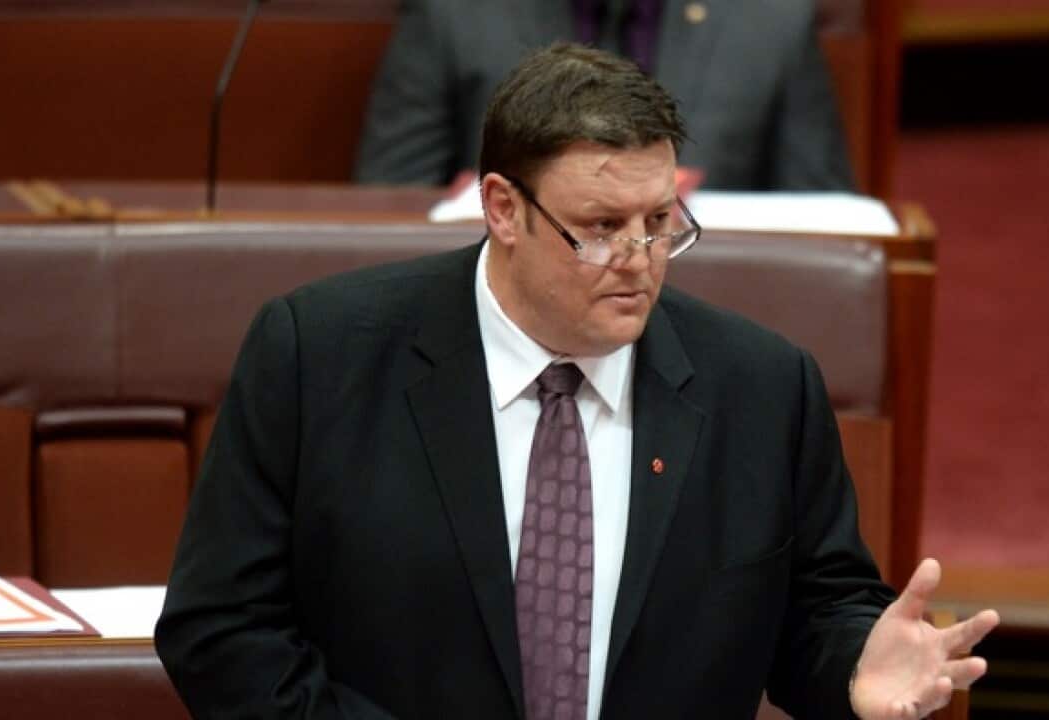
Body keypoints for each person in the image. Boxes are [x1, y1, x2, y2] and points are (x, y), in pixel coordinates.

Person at [157, 43, 996, 720]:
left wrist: (853, 667)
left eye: (660, 223)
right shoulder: (319, 356)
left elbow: (818, 612)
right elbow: (222, 630)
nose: (639, 261)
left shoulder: (764, 388)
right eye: (600, 228)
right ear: (503, 209)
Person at [353, 0, 855, 191]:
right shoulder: (452, 11)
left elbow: (824, 224)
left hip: (710, 314)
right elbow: (390, 206)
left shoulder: (773, 17)